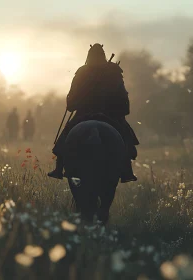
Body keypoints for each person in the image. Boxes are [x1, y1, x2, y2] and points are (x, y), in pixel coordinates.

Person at [48, 43, 139, 183]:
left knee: (65, 139)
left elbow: (71, 104)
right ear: (103, 56)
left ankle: (59, 168)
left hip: (84, 114)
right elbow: (124, 103)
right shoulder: (114, 72)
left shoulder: (82, 72)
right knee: (125, 138)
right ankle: (127, 170)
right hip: (111, 115)